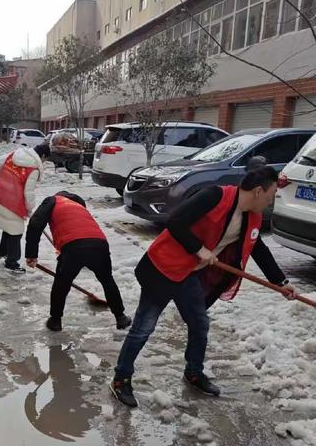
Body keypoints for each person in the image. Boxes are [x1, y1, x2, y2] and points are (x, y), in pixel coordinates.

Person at [110, 165, 296, 407]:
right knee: (143, 328)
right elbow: (175, 221)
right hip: (163, 269)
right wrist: (200, 250)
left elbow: (258, 249)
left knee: (199, 323)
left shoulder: (251, 216)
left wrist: (281, 282)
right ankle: (121, 379)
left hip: (188, 275)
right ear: (259, 191)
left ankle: (194, 372)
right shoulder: (214, 196)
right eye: (272, 195)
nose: (272, 201)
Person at [25, 191, 132, 331]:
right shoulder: (79, 206)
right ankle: (121, 317)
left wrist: (31, 254)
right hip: (99, 243)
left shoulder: (53, 200)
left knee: (62, 283)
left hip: (73, 246)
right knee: (107, 280)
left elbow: (35, 223)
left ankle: (55, 320)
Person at [0, 143, 50, 273]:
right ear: (43, 156)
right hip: (13, 202)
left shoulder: (14, 155)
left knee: (9, 226)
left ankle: (1, 251)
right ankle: (12, 262)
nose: (44, 162)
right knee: (16, 232)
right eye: (45, 159)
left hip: (0, 194)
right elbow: (28, 193)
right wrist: (30, 209)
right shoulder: (33, 169)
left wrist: (5, 180)